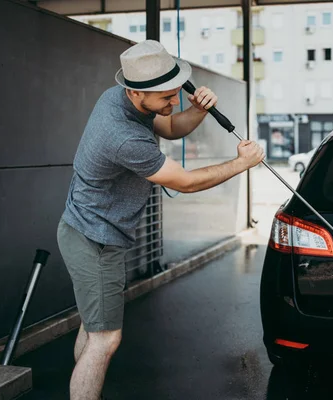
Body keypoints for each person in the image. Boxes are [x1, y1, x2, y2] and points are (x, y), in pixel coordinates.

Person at [56, 40, 265, 400]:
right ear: (137, 94)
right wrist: (240, 165)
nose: (174, 104)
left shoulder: (119, 97)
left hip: (92, 233)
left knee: (95, 331)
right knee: (105, 339)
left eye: (176, 94)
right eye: (167, 98)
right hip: (95, 241)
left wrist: (198, 110)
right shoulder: (122, 136)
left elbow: (168, 128)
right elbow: (185, 182)